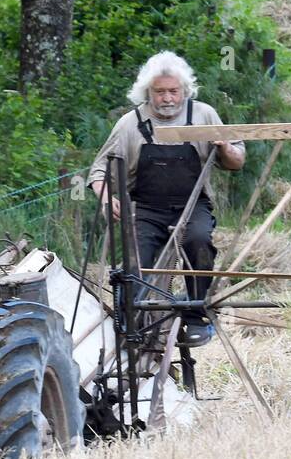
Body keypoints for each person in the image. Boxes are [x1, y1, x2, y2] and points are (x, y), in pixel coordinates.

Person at [88, 51, 245, 347]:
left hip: (191, 205)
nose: (167, 98)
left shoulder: (204, 115)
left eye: (173, 91)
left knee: (199, 243)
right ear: (148, 92)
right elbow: (99, 170)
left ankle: (196, 314)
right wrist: (107, 196)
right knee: (136, 261)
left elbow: (237, 160)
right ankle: (132, 323)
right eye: (159, 92)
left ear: (184, 90)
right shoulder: (129, 124)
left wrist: (225, 148)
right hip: (145, 208)